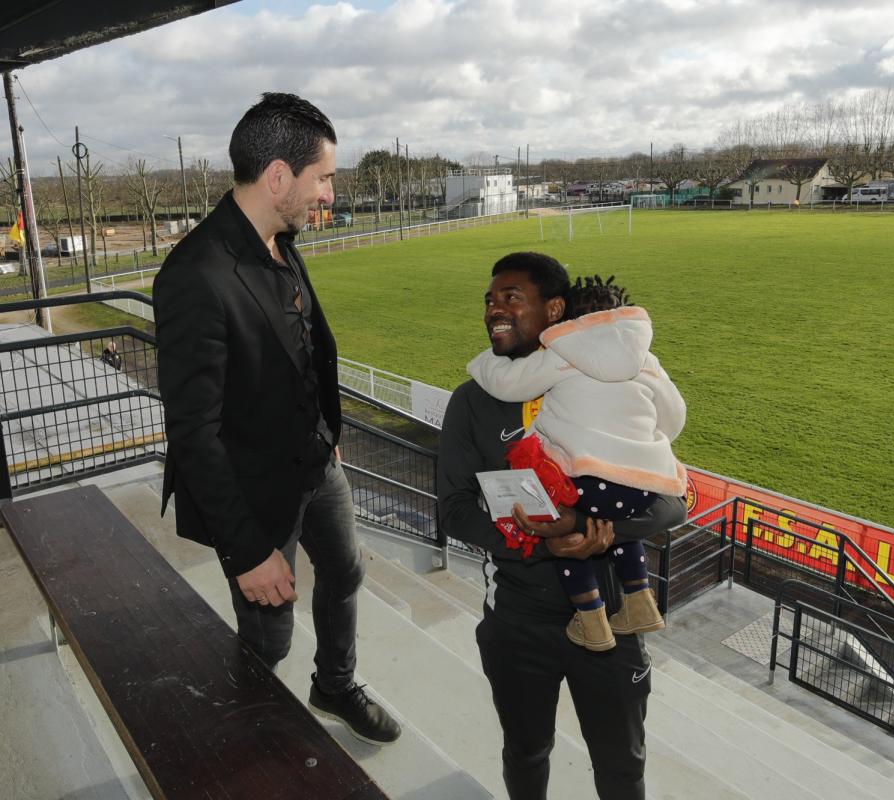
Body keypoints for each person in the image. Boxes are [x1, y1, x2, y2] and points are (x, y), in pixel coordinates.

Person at [153, 92, 400, 746]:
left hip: (317, 460)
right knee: (270, 636)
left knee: (346, 571)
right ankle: (252, 743)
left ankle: (336, 684)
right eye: (323, 178)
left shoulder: (282, 238)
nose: (328, 193)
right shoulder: (194, 276)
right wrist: (248, 550)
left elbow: (306, 345)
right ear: (279, 177)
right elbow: (194, 433)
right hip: (254, 493)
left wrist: (329, 431)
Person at [438, 252, 687, 800]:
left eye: (511, 298)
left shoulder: (612, 385)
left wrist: (593, 529)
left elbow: (673, 504)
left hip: (613, 618)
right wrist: (537, 536)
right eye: (489, 300)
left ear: (555, 309)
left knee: (622, 767)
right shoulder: (473, 402)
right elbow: (453, 509)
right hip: (518, 618)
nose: (494, 311)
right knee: (527, 753)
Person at [466, 274, 687, 651]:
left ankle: (591, 620)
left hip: (585, 482)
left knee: (565, 532)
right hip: (641, 487)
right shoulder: (647, 361)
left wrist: (483, 362)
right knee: (616, 527)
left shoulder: (564, 353)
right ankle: (639, 600)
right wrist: (644, 441)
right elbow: (675, 416)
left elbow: (509, 384)